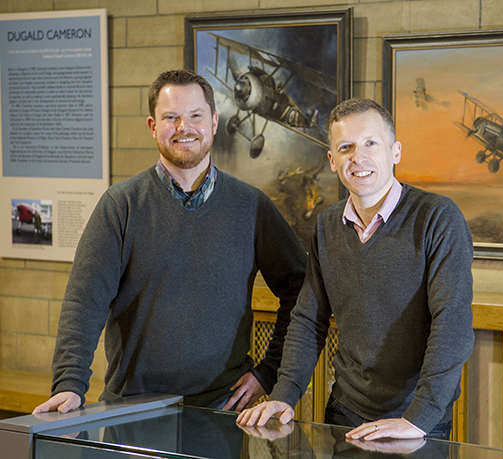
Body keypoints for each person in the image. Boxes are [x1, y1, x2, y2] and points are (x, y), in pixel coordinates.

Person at [33, 69, 307, 415]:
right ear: (152, 126)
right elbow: (83, 301)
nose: (184, 128)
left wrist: (269, 372)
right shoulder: (121, 205)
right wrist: (70, 383)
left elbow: (301, 289)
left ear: (213, 122)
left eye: (195, 116)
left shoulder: (251, 206)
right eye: (171, 118)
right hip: (131, 409)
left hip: (221, 410)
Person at [237, 98, 474, 441]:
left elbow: (452, 326)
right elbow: (307, 319)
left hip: (415, 419)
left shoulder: (437, 218)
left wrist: (419, 419)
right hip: (343, 411)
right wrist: (284, 394)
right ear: (333, 160)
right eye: (346, 147)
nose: (358, 157)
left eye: (371, 143)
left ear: (395, 152)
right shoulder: (327, 225)